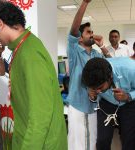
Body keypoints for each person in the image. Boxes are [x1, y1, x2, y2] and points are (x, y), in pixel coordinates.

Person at [0, 1, 67, 150]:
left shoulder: (30, 54)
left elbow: (40, 117)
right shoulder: (22, 47)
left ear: (1, 24)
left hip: (41, 144)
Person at [66, 0, 106, 150]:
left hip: (94, 106)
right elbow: (74, 30)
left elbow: (110, 70)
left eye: (92, 31)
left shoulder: (96, 54)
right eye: (88, 32)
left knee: (92, 141)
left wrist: (102, 45)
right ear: (80, 38)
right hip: (78, 105)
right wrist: (84, 3)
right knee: (77, 143)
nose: (92, 34)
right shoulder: (75, 51)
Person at [82, 57, 135, 150]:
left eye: (100, 87)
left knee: (129, 139)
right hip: (106, 104)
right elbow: (93, 91)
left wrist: (128, 96)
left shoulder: (130, 69)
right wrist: (92, 96)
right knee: (102, 140)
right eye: (94, 88)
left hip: (129, 104)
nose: (98, 91)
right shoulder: (90, 73)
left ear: (110, 76)